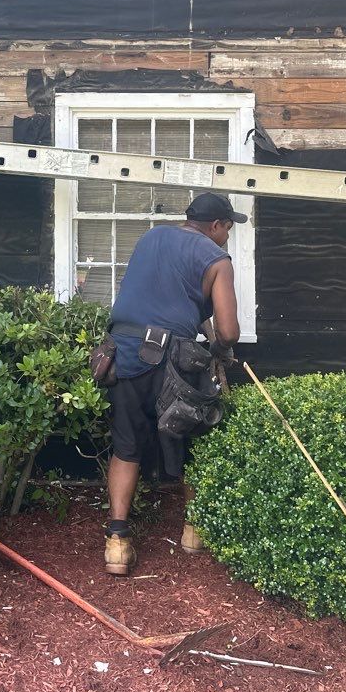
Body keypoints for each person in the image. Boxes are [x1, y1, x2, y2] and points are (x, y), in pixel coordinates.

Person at [101, 192, 243, 575]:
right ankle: (193, 531)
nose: (227, 238)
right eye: (228, 229)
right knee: (193, 437)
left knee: (126, 445)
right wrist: (217, 347)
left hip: (124, 352)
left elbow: (167, 299)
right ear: (215, 226)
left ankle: (117, 543)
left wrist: (203, 323)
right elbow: (229, 332)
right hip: (172, 361)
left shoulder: (151, 238)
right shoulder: (216, 259)